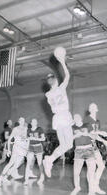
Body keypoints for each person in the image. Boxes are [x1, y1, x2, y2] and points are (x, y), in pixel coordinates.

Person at [43, 47, 74, 178]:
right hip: (64, 115)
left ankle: (49, 160)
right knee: (69, 144)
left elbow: (54, 81)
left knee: (64, 145)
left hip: (57, 118)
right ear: (55, 81)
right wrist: (62, 61)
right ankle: (49, 160)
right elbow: (67, 76)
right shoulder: (60, 88)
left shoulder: (48, 94)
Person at [0, 117, 29, 187]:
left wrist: (27, 149)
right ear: (19, 121)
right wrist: (8, 150)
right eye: (21, 120)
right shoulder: (15, 129)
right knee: (11, 163)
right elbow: (9, 139)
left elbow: (26, 139)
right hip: (16, 148)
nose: (22, 122)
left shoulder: (26, 129)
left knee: (16, 165)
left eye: (23, 120)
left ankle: (5, 178)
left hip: (23, 150)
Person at [84, 103, 107, 195]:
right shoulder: (86, 119)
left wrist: (103, 140)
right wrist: (101, 132)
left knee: (101, 166)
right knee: (91, 168)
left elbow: (95, 135)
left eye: (94, 107)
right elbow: (89, 133)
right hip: (86, 145)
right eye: (91, 107)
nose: (92, 108)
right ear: (89, 109)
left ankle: (96, 186)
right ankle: (91, 191)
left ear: (97, 109)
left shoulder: (97, 121)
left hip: (93, 145)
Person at [71, 114, 97, 195]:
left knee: (91, 171)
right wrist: (75, 135)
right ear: (73, 120)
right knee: (76, 172)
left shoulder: (87, 125)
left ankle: (91, 190)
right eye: (75, 118)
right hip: (78, 150)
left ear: (81, 118)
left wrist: (88, 134)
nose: (76, 118)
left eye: (78, 117)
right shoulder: (72, 127)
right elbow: (69, 138)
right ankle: (77, 187)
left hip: (89, 148)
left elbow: (95, 136)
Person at [24, 118, 46, 186]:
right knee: (28, 163)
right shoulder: (28, 130)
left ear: (36, 123)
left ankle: (42, 177)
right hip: (31, 147)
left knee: (40, 163)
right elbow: (26, 138)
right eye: (32, 121)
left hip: (38, 146)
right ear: (31, 123)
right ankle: (26, 180)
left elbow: (43, 138)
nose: (33, 122)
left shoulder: (40, 129)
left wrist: (35, 138)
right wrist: (27, 139)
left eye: (35, 122)